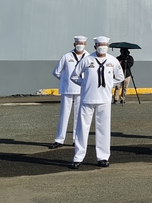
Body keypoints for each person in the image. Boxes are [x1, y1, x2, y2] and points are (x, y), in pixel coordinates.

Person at [69, 36, 124, 169]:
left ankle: (103, 157)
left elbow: (120, 77)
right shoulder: (87, 60)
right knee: (82, 129)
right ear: (94, 47)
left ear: (108, 45)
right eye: (99, 44)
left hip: (104, 99)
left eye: (104, 44)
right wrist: (86, 84)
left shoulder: (113, 60)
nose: (102, 46)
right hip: (88, 98)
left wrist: (109, 84)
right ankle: (78, 157)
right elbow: (74, 76)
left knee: (103, 129)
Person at [49, 36, 87, 149]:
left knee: (78, 115)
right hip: (67, 89)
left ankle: (76, 139)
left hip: (82, 89)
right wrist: (65, 80)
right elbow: (56, 72)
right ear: (74, 44)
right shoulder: (66, 56)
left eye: (82, 43)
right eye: (78, 43)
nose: (80, 45)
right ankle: (59, 139)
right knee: (64, 114)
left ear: (85, 44)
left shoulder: (89, 57)